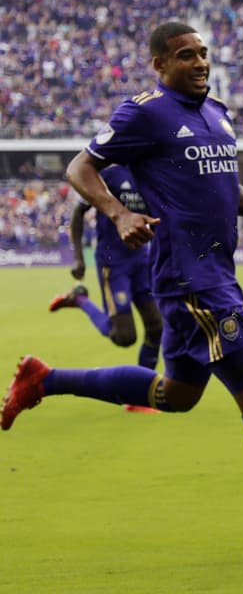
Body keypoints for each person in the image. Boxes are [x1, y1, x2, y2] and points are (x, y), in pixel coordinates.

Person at [2, 22, 243, 554]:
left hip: (213, 274)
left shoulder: (218, 113)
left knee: (175, 395)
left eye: (203, 53)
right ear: (160, 64)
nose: (199, 62)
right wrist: (116, 213)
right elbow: (80, 167)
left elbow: (220, 183)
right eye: (185, 55)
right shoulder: (146, 111)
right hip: (192, 281)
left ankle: (45, 379)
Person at [47, 164, 164, 412]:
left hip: (141, 261)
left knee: (157, 326)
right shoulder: (109, 174)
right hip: (114, 264)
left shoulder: (151, 173)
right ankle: (80, 301)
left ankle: (139, 396)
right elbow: (79, 212)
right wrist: (78, 257)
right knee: (125, 337)